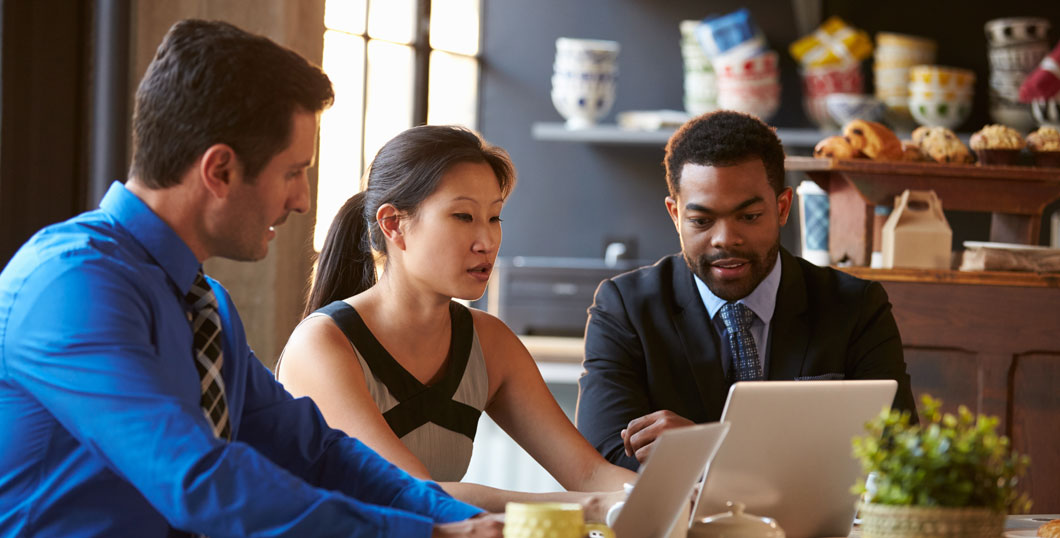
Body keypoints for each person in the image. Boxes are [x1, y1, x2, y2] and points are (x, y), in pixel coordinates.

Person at [0, 20, 500, 538]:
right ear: (219, 171)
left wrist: (471, 523)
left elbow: (319, 453)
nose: (302, 200)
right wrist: (428, 536)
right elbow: (199, 480)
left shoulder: (204, 306)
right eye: (292, 172)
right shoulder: (71, 285)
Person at [276, 124, 637, 520]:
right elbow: (414, 495)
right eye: (463, 216)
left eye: (495, 217)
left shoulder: (489, 341)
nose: (487, 241)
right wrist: (595, 507)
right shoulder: (323, 345)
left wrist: (668, 498)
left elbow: (587, 472)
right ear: (394, 224)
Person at [575, 110, 918, 470]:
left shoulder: (857, 308)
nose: (726, 239)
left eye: (749, 217)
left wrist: (706, 448)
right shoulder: (624, 309)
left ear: (782, 207)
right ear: (675, 215)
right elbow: (603, 462)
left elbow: (896, 453)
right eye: (701, 221)